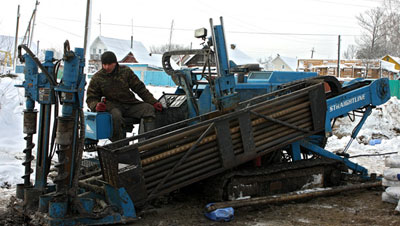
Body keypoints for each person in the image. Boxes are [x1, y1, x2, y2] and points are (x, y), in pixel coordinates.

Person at [86, 51, 163, 141]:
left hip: (130, 104)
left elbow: (139, 88)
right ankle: (119, 145)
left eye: (109, 64)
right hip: (112, 106)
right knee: (116, 116)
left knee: (148, 109)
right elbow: (91, 97)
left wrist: (153, 102)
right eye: (104, 64)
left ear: (115, 63)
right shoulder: (97, 78)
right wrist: (96, 106)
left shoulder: (125, 72)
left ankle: (147, 142)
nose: (106, 67)